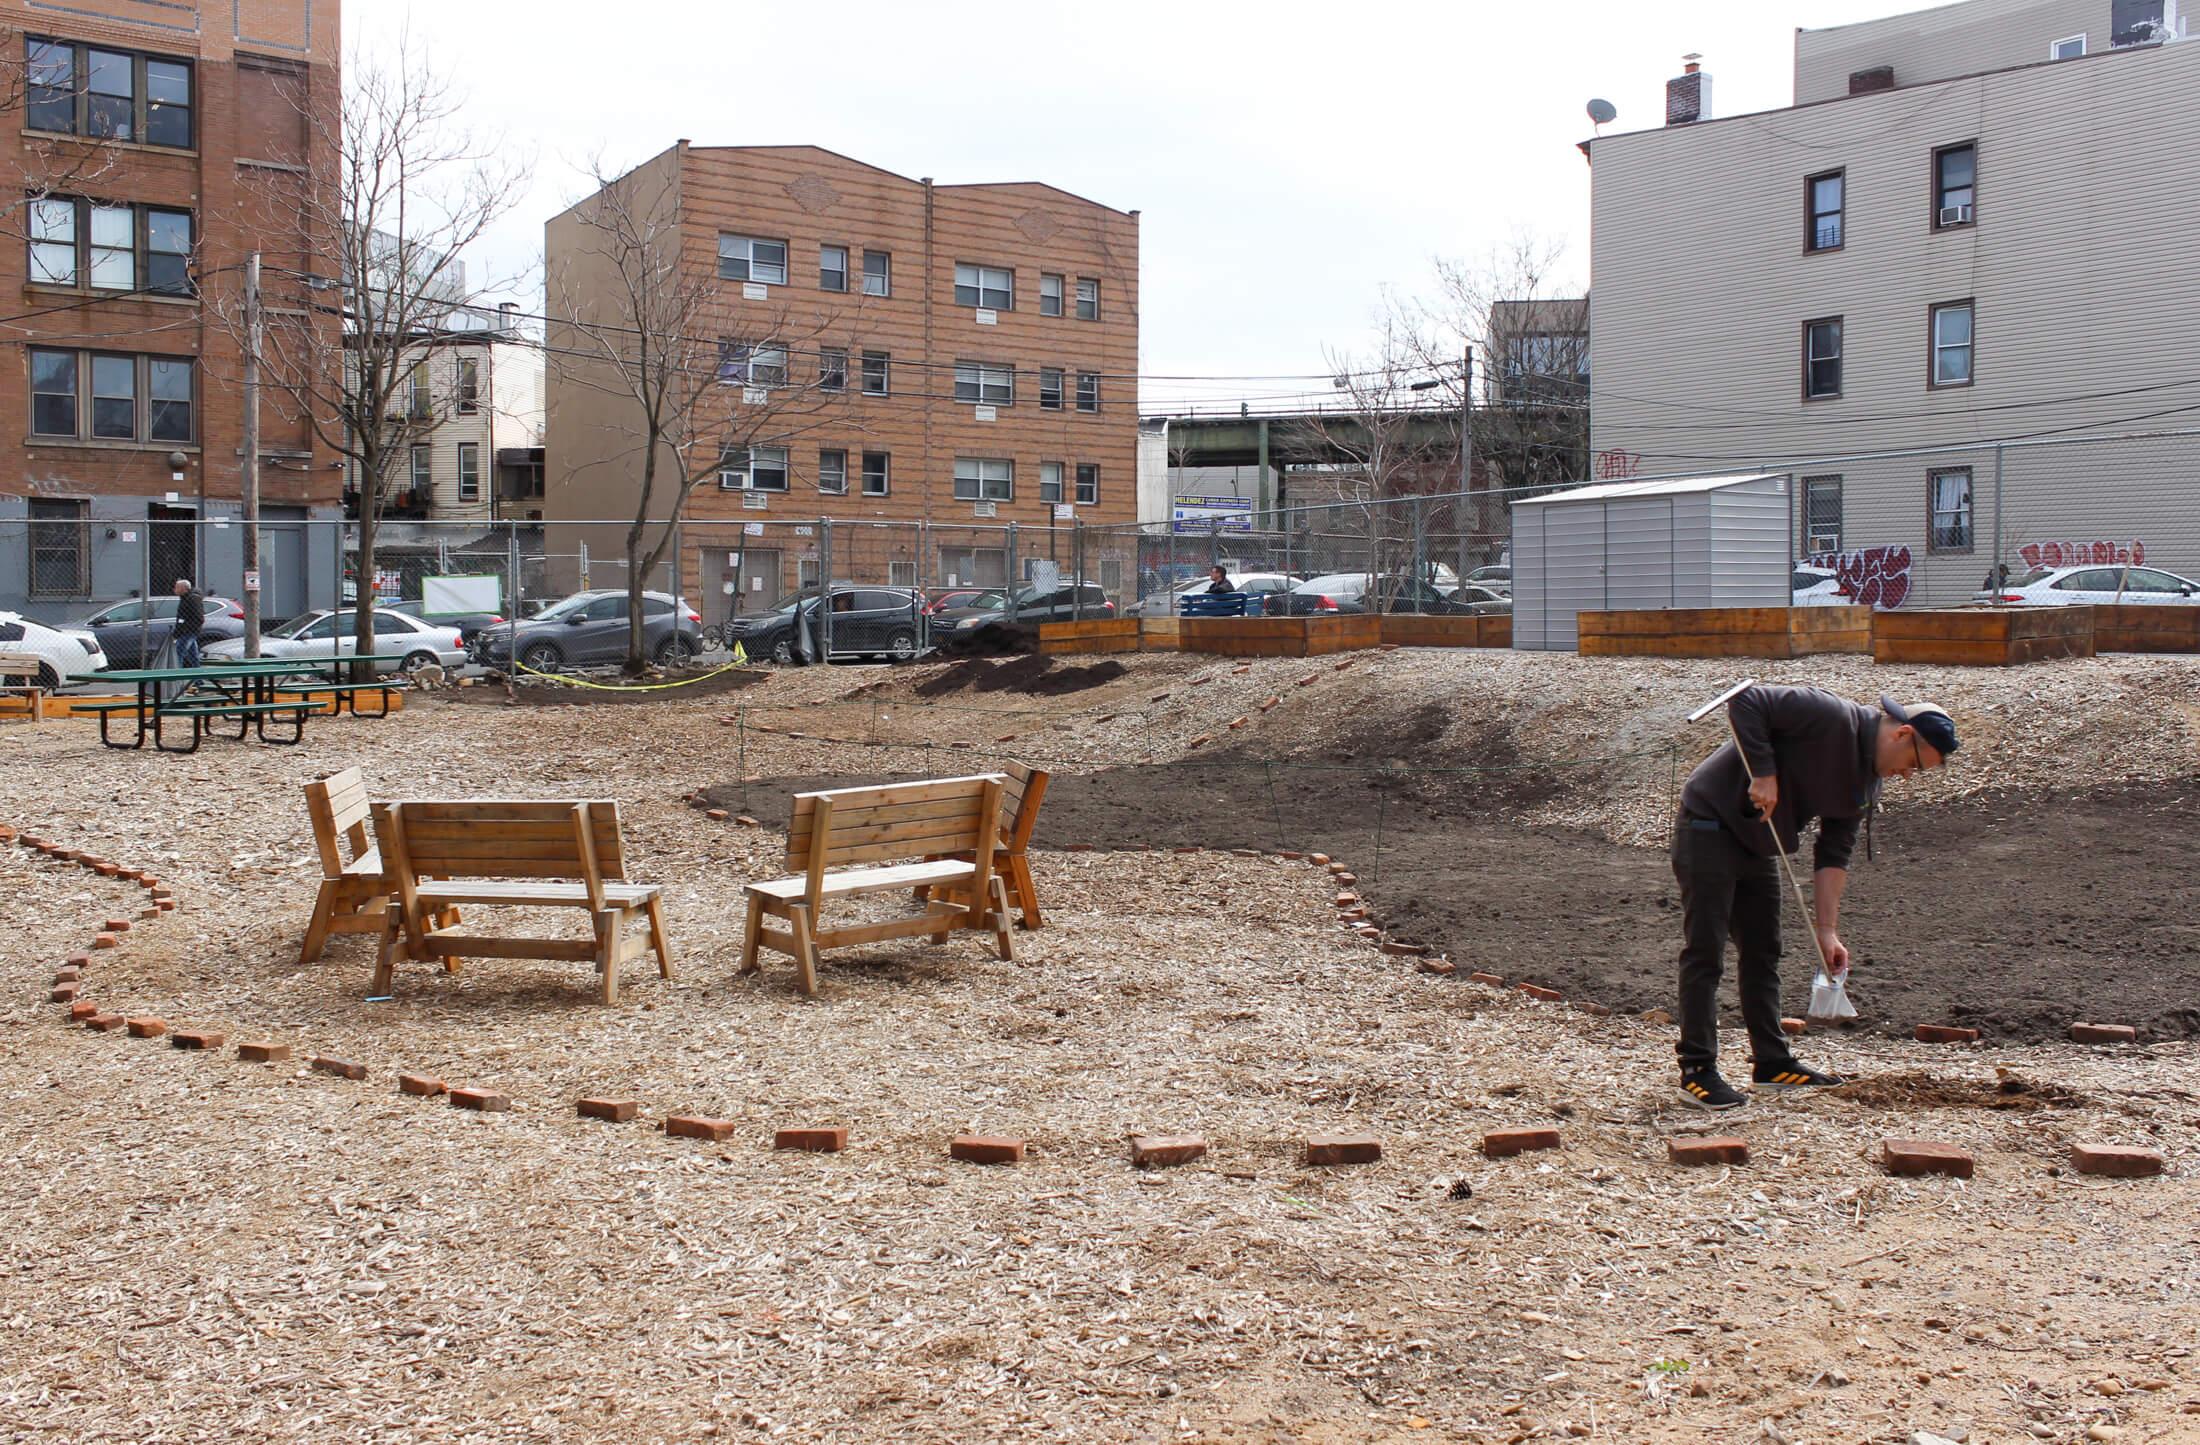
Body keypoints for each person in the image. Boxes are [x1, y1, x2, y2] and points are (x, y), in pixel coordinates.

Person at [1672, 687, 1959, 1112]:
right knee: (1706, 953)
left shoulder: (1867, 783)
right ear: (1902, 735)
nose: (1907, 776)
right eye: (1915, 764)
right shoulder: (1830, 714)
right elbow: (1746, 701)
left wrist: (1828, 932)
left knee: (1764, 952)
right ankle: (1697, 1072)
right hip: (1709, 826)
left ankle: (1771, 1063)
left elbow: (1833, 854)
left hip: (1759, 845)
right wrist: (1764, 773)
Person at [171, 577, 205, 668]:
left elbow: (198, 617)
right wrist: (177, 632)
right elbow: (181, 618)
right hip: (185, 631)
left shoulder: (193, 599)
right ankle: (198, 678)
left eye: (176, 587)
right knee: (193, 655)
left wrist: (188, 629)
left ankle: (177, 677)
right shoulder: (184, 598)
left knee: (178, 652)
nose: (174, 589)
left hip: (189, 632)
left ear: (183, 588)